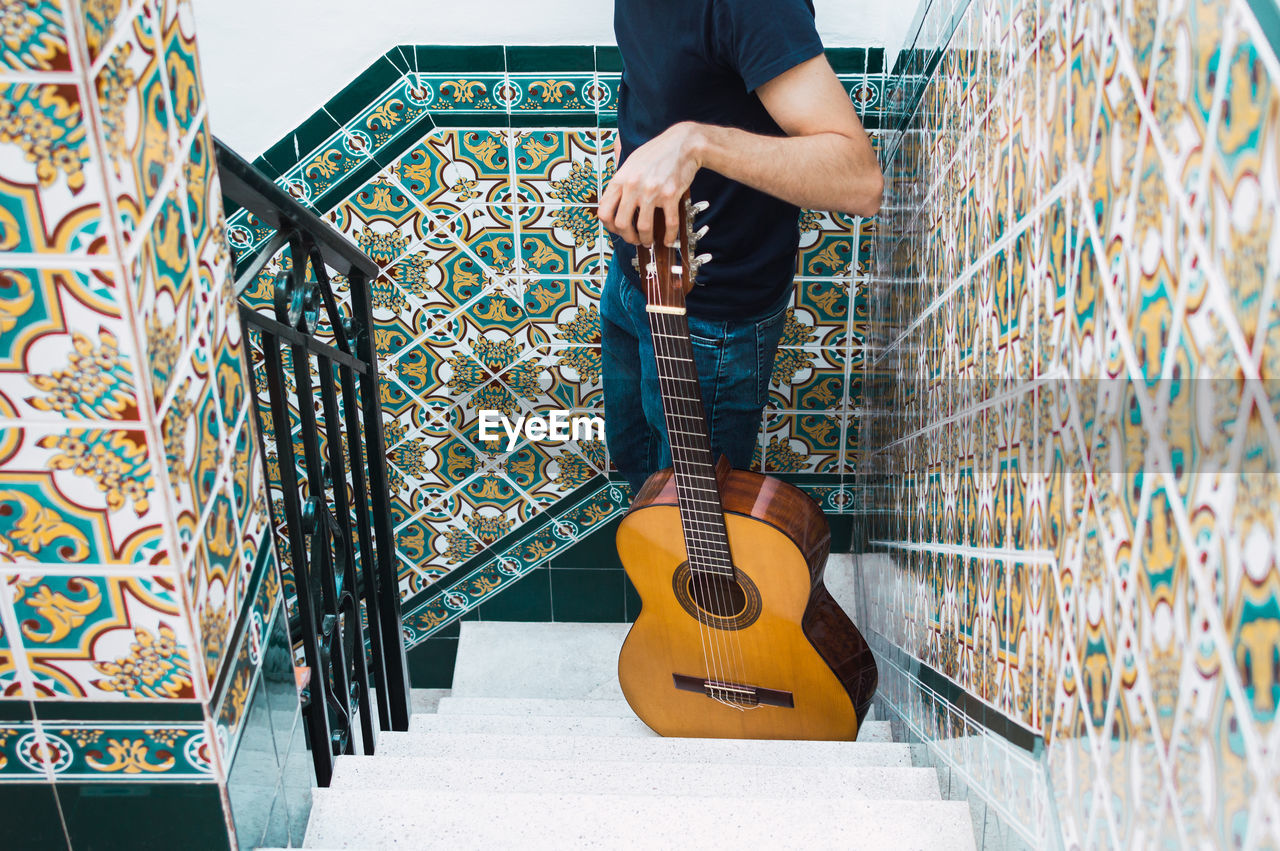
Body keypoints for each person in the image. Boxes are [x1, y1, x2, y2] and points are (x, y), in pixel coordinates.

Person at [598, 0, 885, 496]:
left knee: (693, 514)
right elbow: (663, 81)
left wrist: (694, 143)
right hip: (631, 281)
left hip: (713, 324)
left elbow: (859, 182)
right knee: (641, 477)